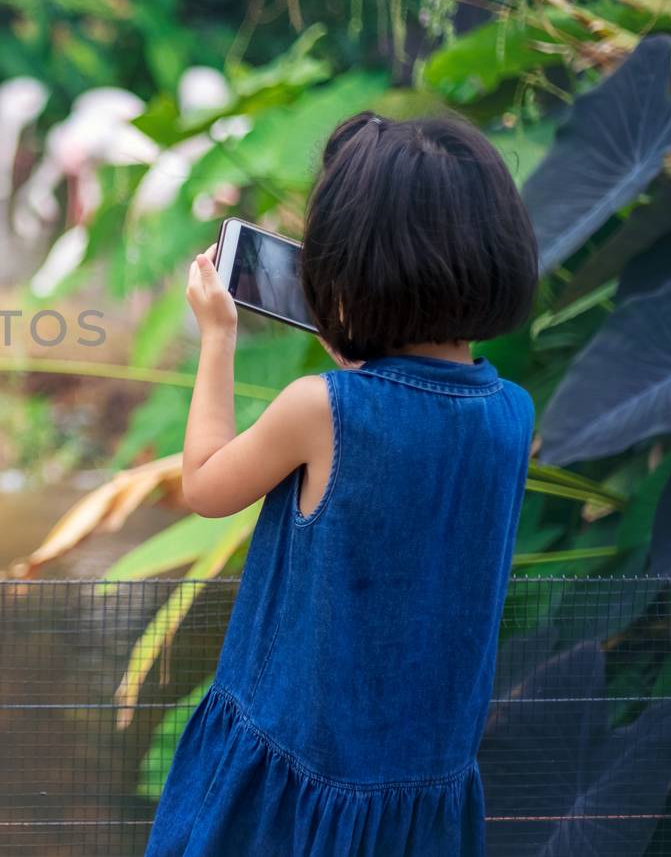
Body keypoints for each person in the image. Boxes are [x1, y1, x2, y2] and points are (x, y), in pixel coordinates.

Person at [145, 113, 539, 856]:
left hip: (294, 792)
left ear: (347, 266)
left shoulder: (321, 409)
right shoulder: (512, 414)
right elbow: (419, 416)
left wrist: (218, 336)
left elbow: (204, 484)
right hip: (420, 791)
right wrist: (362, 346)